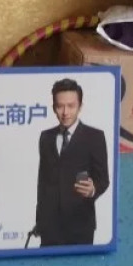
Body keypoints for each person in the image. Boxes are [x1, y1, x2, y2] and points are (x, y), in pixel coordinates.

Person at [33, 78, 109, 245]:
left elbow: (103, 179)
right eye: (60, 106)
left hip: (80, 224)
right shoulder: (46, 137)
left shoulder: (95, 137)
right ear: (54, 107)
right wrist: (39, 220)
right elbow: (42, 182)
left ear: (80, 106)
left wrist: (93, 190)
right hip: (50, 226)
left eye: (71, 106)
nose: (65, 112)